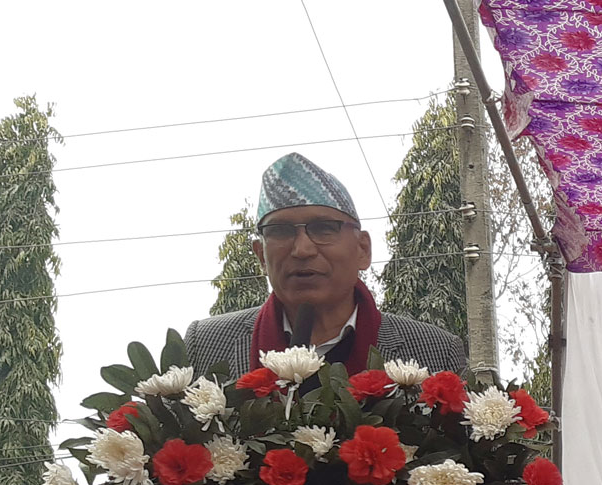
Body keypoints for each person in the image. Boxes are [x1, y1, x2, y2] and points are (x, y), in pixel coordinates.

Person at [185, 153, 465, 377]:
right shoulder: (207, 345)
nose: (302, 249)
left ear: (363, 250)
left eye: (323, 228)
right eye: (280, 231)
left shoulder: (435, 352)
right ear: (261, 256)